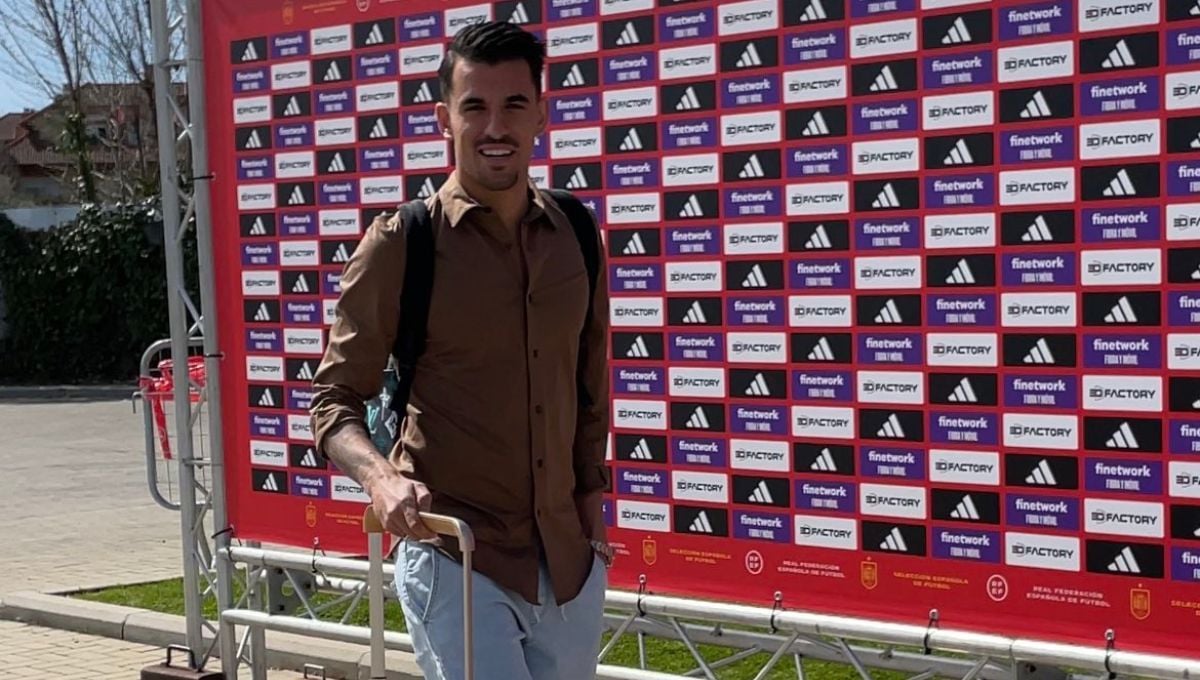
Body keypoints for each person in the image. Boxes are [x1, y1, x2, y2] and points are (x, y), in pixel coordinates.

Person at [309, 20, 612, 680]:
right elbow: (332, 401)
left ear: (541, 114)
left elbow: (591, 386)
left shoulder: (576, 233)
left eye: (514, 105)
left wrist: (592, 517)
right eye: (475, 107)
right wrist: (381, 479)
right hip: (457, 555)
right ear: (444, 119)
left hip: (568, 565)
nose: (495, 127)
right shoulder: (403, 242)